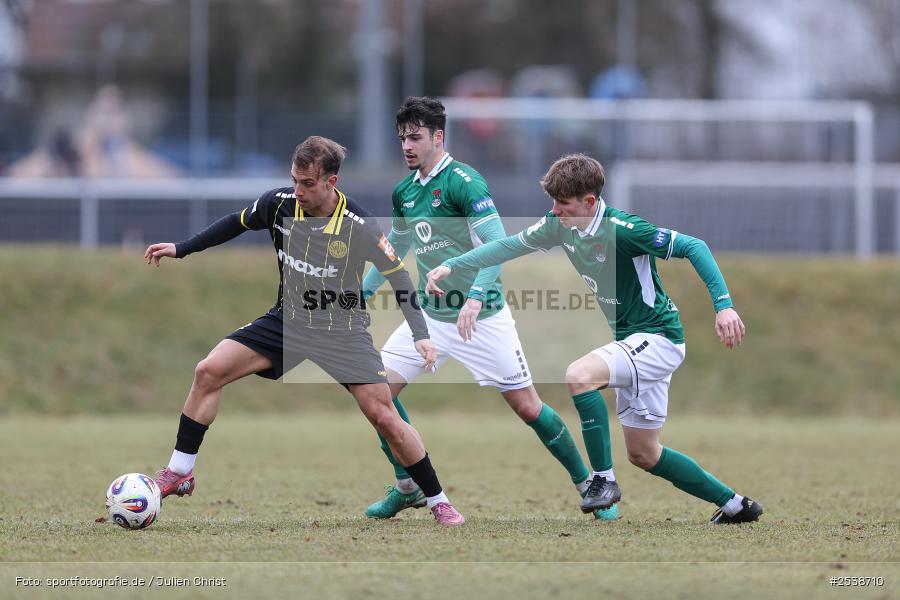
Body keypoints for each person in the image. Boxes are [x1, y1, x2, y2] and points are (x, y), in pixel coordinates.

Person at [426, 153, 763, 524]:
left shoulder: (623, 228)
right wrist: (453, 265)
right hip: (633, 344)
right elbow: (508, 246)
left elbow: (694, 246)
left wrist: (724, 306)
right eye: (552, 202)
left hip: (658, 339)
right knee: (644, 454)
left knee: (579, 375)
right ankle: (736, 506)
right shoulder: (561, 225)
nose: (554, 211)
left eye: (563, 203)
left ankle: (602, 480)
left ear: (590, 202)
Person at [144, 136, 464, 526]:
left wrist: (420, 334)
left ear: (331, 182)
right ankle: (179, 473)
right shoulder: (278, 204)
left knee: (383, 415)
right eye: (294, 180)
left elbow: (399, 278)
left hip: (341, 330)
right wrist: (183, 248)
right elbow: (235, 222)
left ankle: (438, 500)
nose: (298, 191)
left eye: (307, 184)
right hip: (288, 322)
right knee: (208, 371)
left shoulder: (359, 226)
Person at [361, 97, 614, 521]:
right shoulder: (405, 191)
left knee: (528, 407)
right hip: (430, 317)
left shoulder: (465, 182)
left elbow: (497, 246)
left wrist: (476, 297)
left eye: (416, 137)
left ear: (438, 137)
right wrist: (363, 294)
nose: (407, 145)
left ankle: (588, 483)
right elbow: (397, 247)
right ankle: (408, 486)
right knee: (376, 395)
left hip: (484, 319)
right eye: (402, 137)